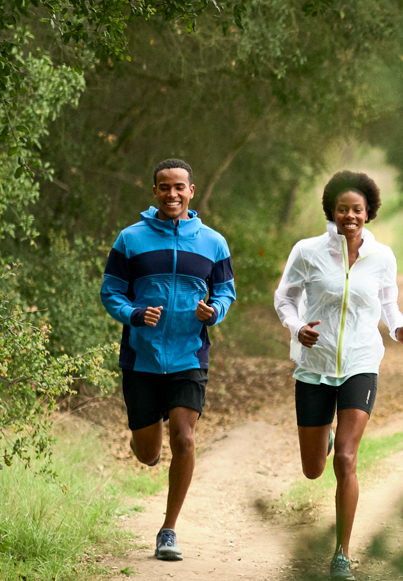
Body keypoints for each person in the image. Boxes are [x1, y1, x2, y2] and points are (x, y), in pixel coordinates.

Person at [274, 170, 403, 580]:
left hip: (360, 363)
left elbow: (388, 305)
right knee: (313, 468)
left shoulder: (382, 256)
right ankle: (326, 437)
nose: (350, 216)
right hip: (313, 367)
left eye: (357, 209)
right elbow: (285, 299)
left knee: (347, 460)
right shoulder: (307, 251)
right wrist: (296, 327)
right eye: (342, 209)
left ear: (368, 213)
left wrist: (400, 329)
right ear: (331, 212)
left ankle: (342, 554)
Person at [100, 158, 237, 562]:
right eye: (164, 187)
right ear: (154, 192)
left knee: (185, 437)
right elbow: (111, 293)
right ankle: (147, 442)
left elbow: (226, 291)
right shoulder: (130, 239)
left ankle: (168, 530)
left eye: (180, 187)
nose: (172, 194)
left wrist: (215, 312)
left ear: (191, 191)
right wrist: (134, 314)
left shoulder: (214, 242)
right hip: (141, 358)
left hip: (188, 356)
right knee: (147, 453)